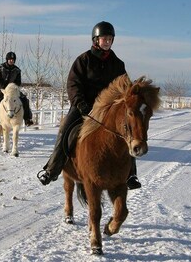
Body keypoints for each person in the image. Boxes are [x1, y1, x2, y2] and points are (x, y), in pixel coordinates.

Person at [37, 21, 142, 189]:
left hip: (109, 110)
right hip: (84, 107)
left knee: (127, 131)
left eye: (110, 39)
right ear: (95, 40)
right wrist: (80, 103)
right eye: (104, 39)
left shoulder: (118, 64)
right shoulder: (83, 60)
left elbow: (125, 87)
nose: (107, 42)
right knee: (65, 128)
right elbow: (73, 84)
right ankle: (52, 169)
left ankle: (131, 175)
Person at [0, 51, 34, 129]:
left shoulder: (17, 70)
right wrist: (2, 87)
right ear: (7, 59)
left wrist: (14, 87)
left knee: (24, 99)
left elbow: (18, 82)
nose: (11, 60)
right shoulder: (1, 68)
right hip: (3, 90)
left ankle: (27, 119)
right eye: (10, 59)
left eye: (13, 59)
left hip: (13, 91)